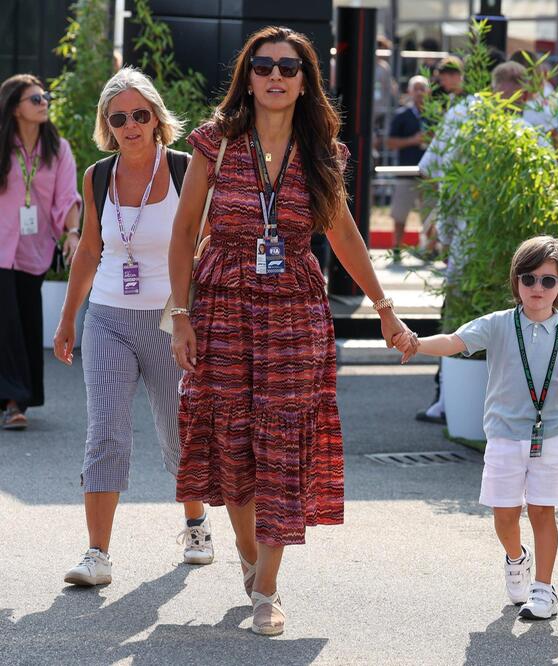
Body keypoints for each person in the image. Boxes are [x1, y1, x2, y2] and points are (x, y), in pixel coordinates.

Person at [167, 26, 416, 637]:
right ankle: (251, 558)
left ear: (305, 82)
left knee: (280, 441)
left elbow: (343, 232)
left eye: (288, 66)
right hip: (222, 305)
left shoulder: (321, 150)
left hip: (292, 312)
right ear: (247, 78)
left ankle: (269, 587)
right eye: (263, 65)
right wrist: (181, 316)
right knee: (233, 442)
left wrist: (383, 305)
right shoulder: (214, 143)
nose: (275, 75)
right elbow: (181, 234)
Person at [52, 67, 213, 587]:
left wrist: (197, 312)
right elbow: (90, 252)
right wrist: (68, 318)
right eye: (118, 117)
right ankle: (96, 554)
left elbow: (207, 244)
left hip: (171, 320)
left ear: (157, 118)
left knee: (178, 432)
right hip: (108, 318)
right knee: (105, 431)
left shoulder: (188, 170)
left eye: (139, 114)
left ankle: (195, 524)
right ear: (108, 125)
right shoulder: (98, 176)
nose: (130, 125)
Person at [406, 236, 558, 620]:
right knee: (504, 515)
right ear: (516, 282)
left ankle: (543, 589)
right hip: (505, 435)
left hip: (553, 434)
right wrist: (416, 343)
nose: (537, 288)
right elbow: (455, 341)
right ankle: (516, 558)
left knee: (543, 511)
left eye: (548, 280)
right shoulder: (498, 324)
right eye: (528, 279)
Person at [415, 61, 534, 425]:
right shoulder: (526, 130)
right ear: (522, 92)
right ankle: (483, 404)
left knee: (460, 315)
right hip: (506, 244)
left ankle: (447, 400)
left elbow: (432, 168)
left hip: (471, 240)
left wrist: (445, 228)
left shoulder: (465, 116)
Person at [0, 74, 81, 430]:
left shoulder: (58, 149)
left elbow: (67, 198)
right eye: (35, 99)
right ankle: (13, 402)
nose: (44, 102)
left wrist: (73, 233)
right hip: (1, 248)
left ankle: (20, 397)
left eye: (45, 96)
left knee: (28, 322)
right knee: (7, 324)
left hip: (34, 250)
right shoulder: (2, 146)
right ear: (15, 108)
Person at [386, 75, 430, 262]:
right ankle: (397, 248)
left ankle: (428, 249)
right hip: (405, 171)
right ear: (410, 92)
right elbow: (389, 143)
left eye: (423, 88)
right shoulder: (401, 115)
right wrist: (413, 140)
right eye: (416, 88)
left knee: (430, 214)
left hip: (429, 174)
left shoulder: (435, 115)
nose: (420, 92)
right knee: (400, 213)